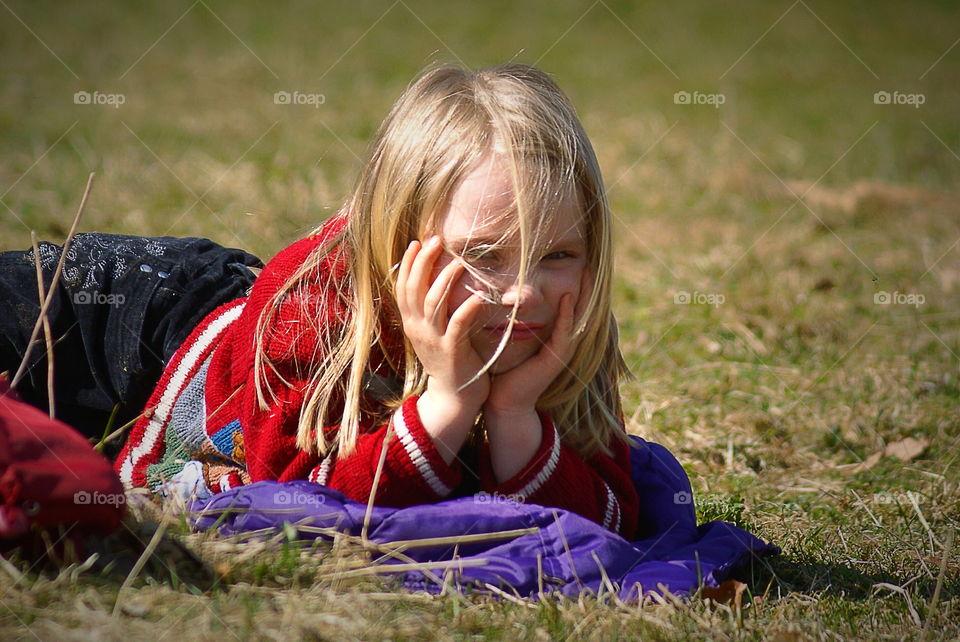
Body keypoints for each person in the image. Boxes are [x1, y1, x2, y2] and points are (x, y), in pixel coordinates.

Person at [5, 63, 640, 539]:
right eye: (483, 256)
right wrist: (449, 404)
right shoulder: (314, 312)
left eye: (557, 255)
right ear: (396, 245)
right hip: (108, 313)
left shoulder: (559, 322)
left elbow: (606, 518)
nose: (525, 290)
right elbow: (303, 506)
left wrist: (514, 417)